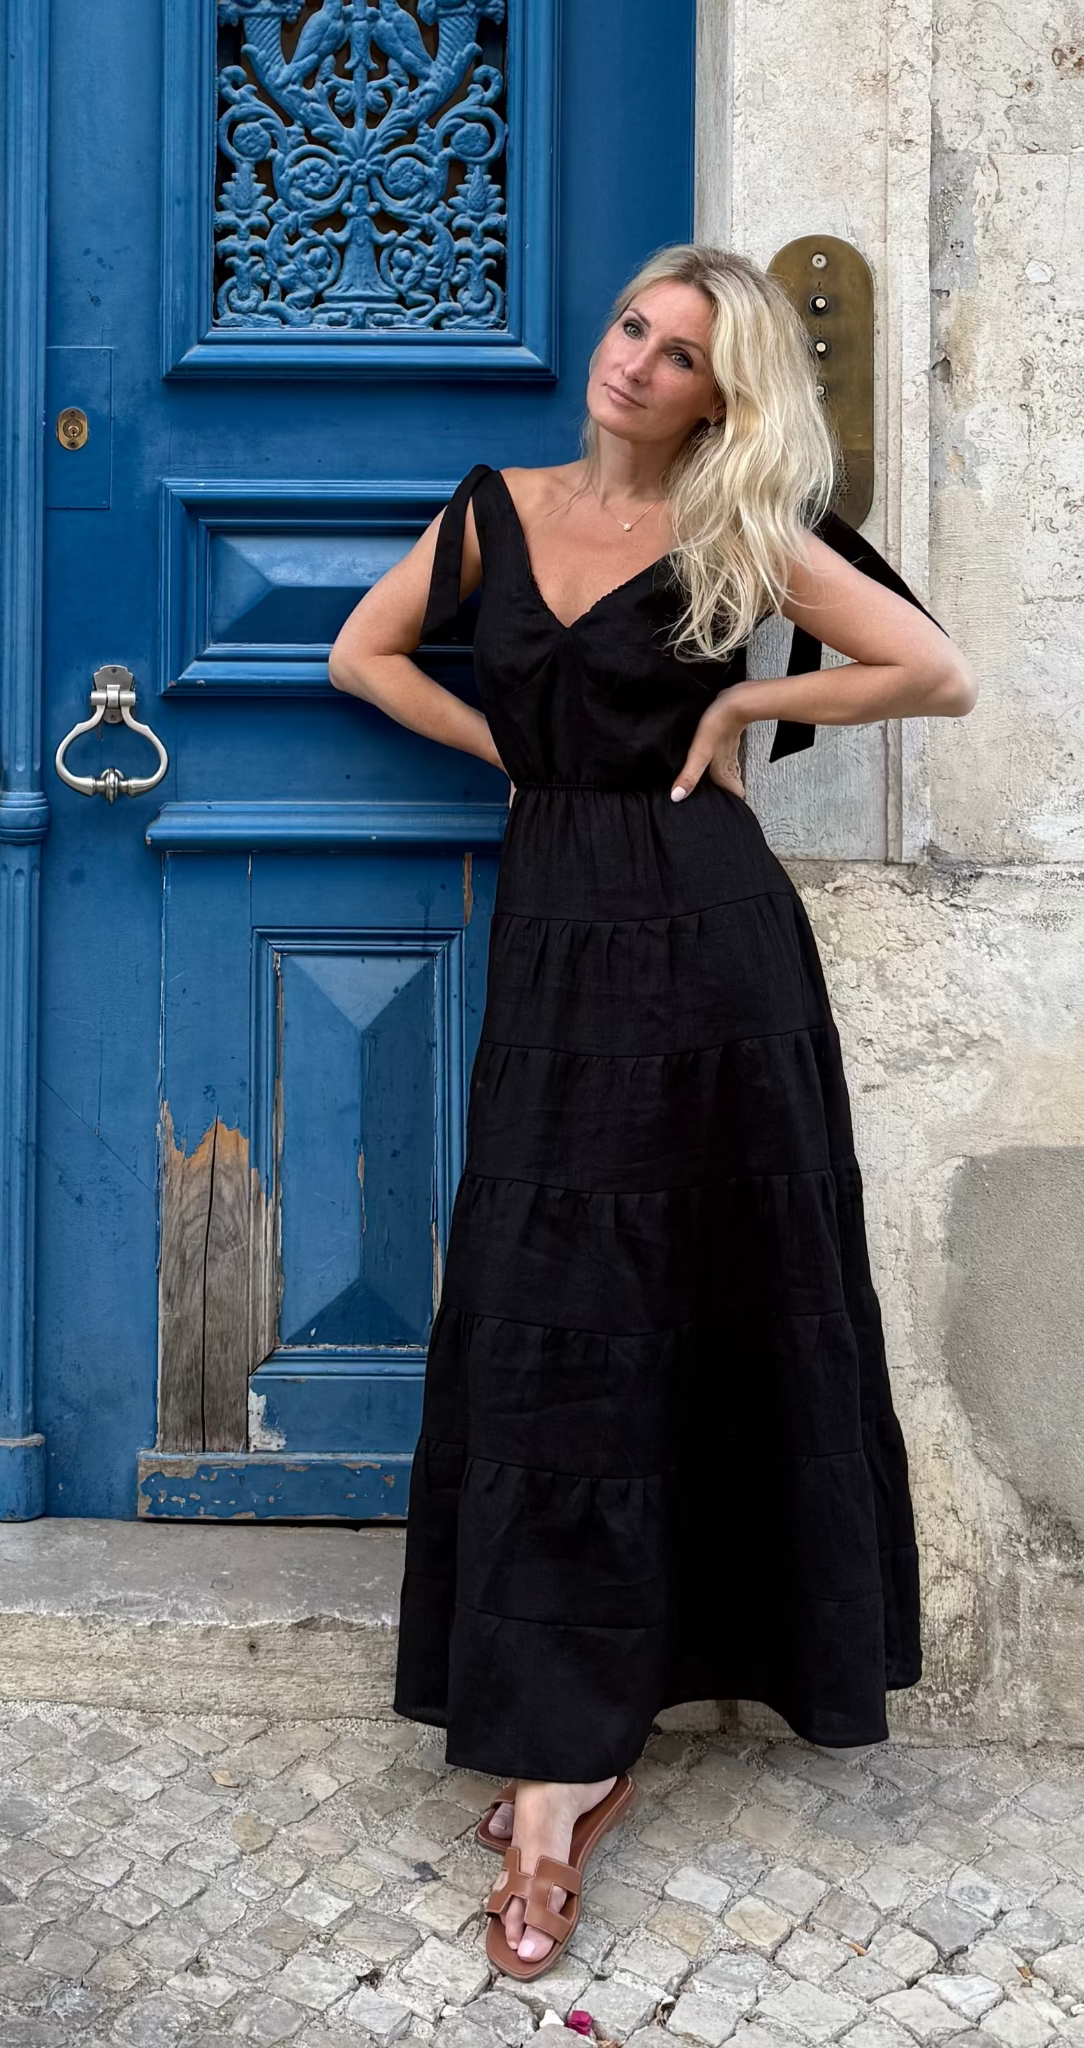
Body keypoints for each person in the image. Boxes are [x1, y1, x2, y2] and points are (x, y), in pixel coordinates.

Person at [327, 243, 977, 1979]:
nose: (633, 363)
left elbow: (931, 672)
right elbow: (363, 656)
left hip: (710, 949)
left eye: (678, 353)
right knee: (556, 1317)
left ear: (718, 393)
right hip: (557, 938)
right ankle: (566, 1720)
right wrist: (526, 754)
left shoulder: (736, 528)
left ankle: (561, 1783)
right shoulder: (495, 512)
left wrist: (752, 695)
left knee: (683, 1312)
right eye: (629, 327)